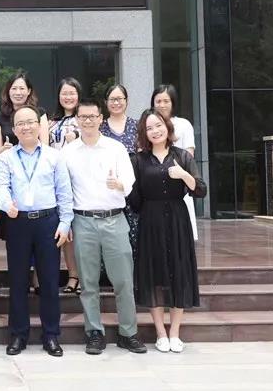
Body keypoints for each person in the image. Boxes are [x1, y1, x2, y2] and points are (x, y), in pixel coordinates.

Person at [64, 100, 147, 356]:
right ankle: (94, 333)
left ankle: (128, 333)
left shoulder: (115, 148)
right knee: (88, 282)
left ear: (101, 118)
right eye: (83, 117)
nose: (88, 121)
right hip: (83, 221)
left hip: (114, 219)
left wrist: (119, 185)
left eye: (92, 116)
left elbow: (130, 183)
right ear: (77, 120)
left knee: (123, 281)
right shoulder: (68, 152)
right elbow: (63, 189)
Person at [0, 105, 73, 357]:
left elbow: (64, 191)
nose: (26, 127)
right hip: (18, 222)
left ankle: (51, 335)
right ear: (14, 129)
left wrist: (65, 223)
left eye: (30, 122)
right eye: (20, 123)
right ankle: (18, 334)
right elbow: (1, 186)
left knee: (49, 281)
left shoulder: (54, 156)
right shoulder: (7, 157)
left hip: (47, 222)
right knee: (18, 281)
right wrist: (6, 205)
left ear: (39, 126)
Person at [130, 109, 206, 354]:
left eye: (159, 125)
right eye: (149, 128)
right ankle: (160, 333)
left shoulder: (182, 156)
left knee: (178, 272)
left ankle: (175, 332)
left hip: (177, 220)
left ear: (167, 126)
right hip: (150, 221)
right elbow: (135, 201)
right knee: (153, 274)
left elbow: (200, 190)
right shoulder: (138, 160)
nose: (155, 131)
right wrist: (123, 188)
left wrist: (183, 175)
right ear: (144, 133)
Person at [0, 71, 49, 250]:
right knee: (17, 240)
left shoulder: (40, 113)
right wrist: (5, 150)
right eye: (14, 88)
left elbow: (45, 146)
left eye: (22, 88)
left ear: (29, 91)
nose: (18, 92)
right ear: (8, 91)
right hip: (12, 177)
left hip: (36, 175)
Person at [151, 84, 198, 241]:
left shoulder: (184, 124)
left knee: (181, 236)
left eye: (166, 101)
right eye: (158, 101)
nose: (162, 105)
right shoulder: (148, 123)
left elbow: (189, 155)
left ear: (173, 102)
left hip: (178, 185)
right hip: (155, 186)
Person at [49, 77, 82, 294]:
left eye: (72, 93)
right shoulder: (52, 121)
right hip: (55, 181)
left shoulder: (84, 118)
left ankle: (80, 276)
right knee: (63, 229)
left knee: (78, 231)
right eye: (64, 93)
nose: (68, 97)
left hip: (77, 180)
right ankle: (70, 275)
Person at [99, 83, 140, 254]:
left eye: (119, 99)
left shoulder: (137, 126)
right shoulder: (100, 127)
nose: (116, 103)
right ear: (106, 102)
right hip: (107, 190)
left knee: (135, 234)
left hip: (134, 188)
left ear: (127, 101)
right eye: (112, 99)